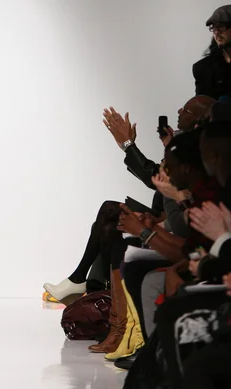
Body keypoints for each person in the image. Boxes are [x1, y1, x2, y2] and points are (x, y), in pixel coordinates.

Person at [43, 96, 214, 303]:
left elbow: (162, 181)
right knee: (108, 217)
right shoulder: (185, 145)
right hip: (168, 216)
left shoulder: (198, 154)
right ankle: (93, 289)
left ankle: (93, 289)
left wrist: (128, 145)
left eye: (186, 111)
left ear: (198, 122)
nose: (179, 110)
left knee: (110, 219)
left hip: (178, 228)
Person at [194, 5, 231, 99]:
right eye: (214, 28)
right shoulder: (203, 68)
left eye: (221, 27)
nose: (216, 32)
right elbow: (202, 108)